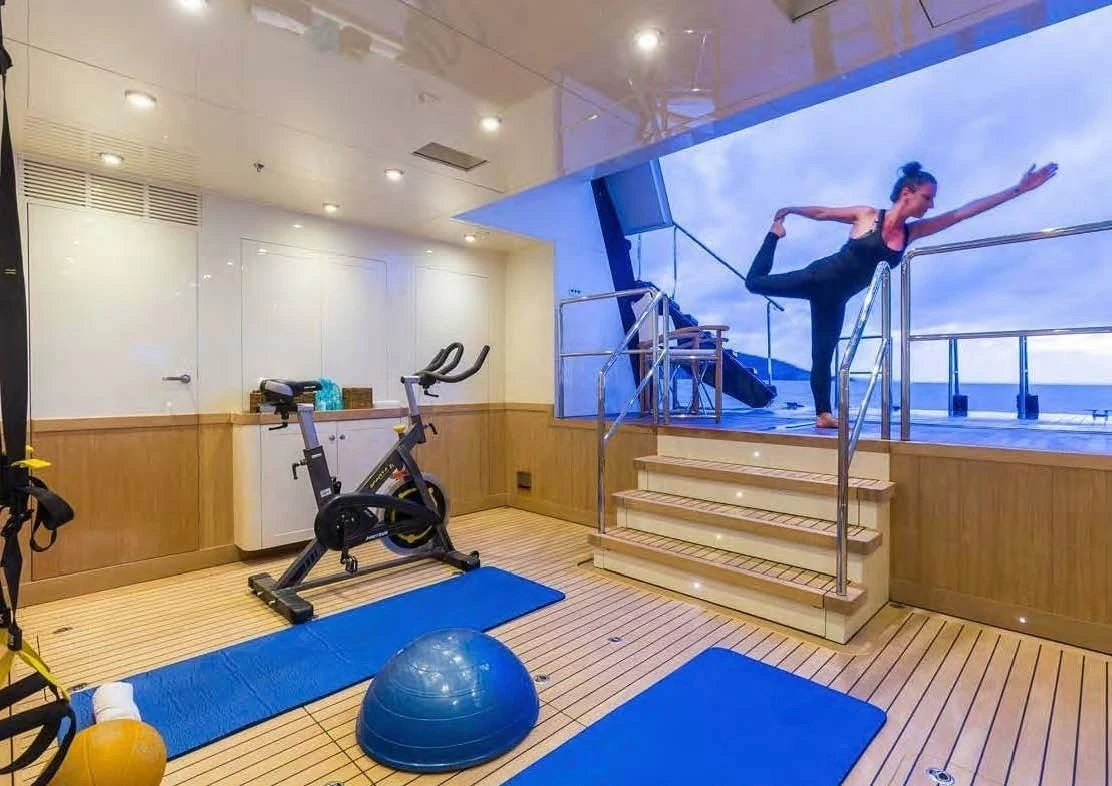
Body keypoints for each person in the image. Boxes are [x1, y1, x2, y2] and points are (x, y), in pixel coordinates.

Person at [745, 161, 1058, 429]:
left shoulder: (912, 233)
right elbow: (824, 212)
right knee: (755, 283)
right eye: (928, 197)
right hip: (816, 277)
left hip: (837, 299)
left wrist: (1018, 189)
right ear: (908, 192)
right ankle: (774, 235)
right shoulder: (867, 215)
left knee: (822, 356)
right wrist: (791, 211)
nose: (931, 205)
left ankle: (823, 415)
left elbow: (962, 213)